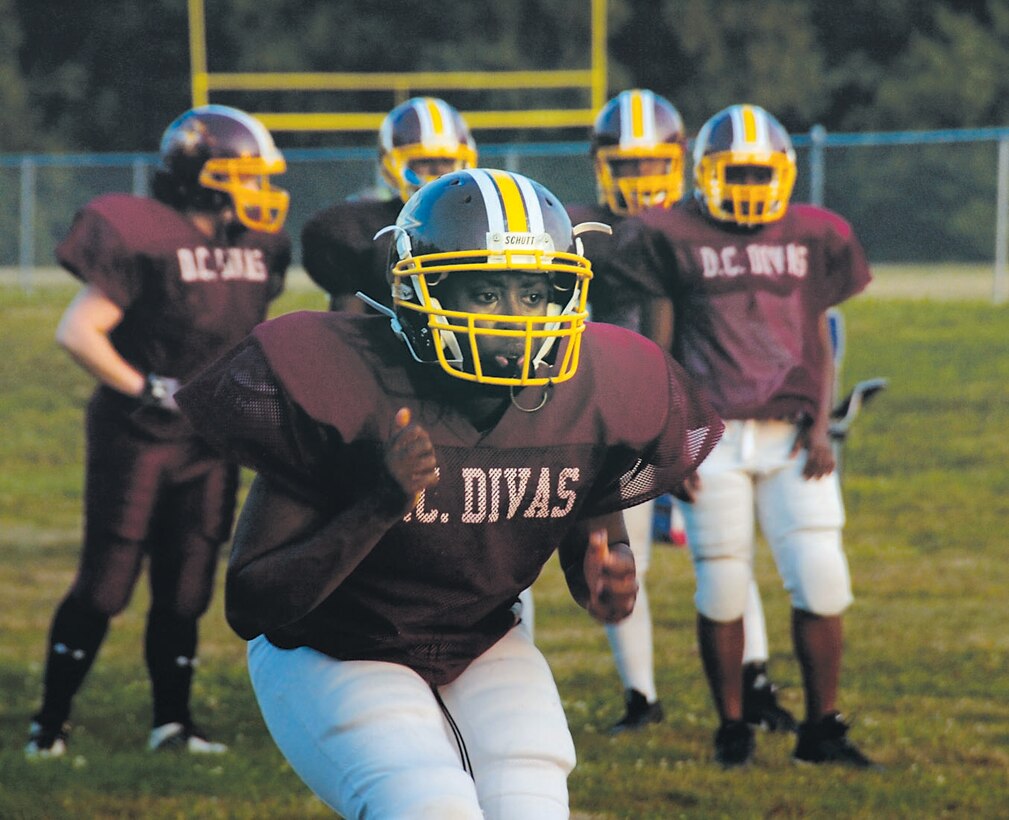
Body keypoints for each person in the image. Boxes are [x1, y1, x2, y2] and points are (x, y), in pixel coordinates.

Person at [175, 168, 724, 817]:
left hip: (479, 637)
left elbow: (594, 548)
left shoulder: (593, 392)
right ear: (420, 289)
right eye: (486, 292)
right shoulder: (348, 381)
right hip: (332, 645)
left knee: (531, 801)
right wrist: (378, 502)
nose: (515, 317)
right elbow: (251, 603)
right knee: (425, 803)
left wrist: (607, 580)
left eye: (532, 292)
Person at [25, 104, 293, 758]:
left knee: (188, 586)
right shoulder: (145, 234)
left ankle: (172, 724)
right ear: (199, 175)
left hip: (211, 441)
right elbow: (77, 331)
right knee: (107, 583)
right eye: (244, 177)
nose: (258, 192)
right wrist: (150, 387)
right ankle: (49, 724)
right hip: (139, 435)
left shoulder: (256, 247)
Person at [619, 103, 877, 768]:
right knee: (721, 582)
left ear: (784, 172)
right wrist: (673, 438)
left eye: (758, 172)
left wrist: (821, 425)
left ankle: (822, 728)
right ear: (702, 173)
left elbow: (818, 338)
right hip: (715, 436)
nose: (745, 185)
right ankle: (731, 725)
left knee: (821, 576)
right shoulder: (668, 232)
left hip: (791, 436)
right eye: (732, 172)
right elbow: (660, 346)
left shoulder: (814, 233)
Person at [569, 89, 796, 735]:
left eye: (651, 163)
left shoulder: (714, 227)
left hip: (700, 415)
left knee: (720, 554)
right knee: (621, 551)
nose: (641, 178)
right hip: (613, 413)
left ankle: (752, 678)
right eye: (627, 164)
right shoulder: (586, 229)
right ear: (600, 162)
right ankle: (640, 697)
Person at [301, 96, 478, 312]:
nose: (438, 172)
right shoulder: (362, 228)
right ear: (391, 165)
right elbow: (349, 325)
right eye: (423, 162)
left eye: (447, 162)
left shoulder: (481, 221)